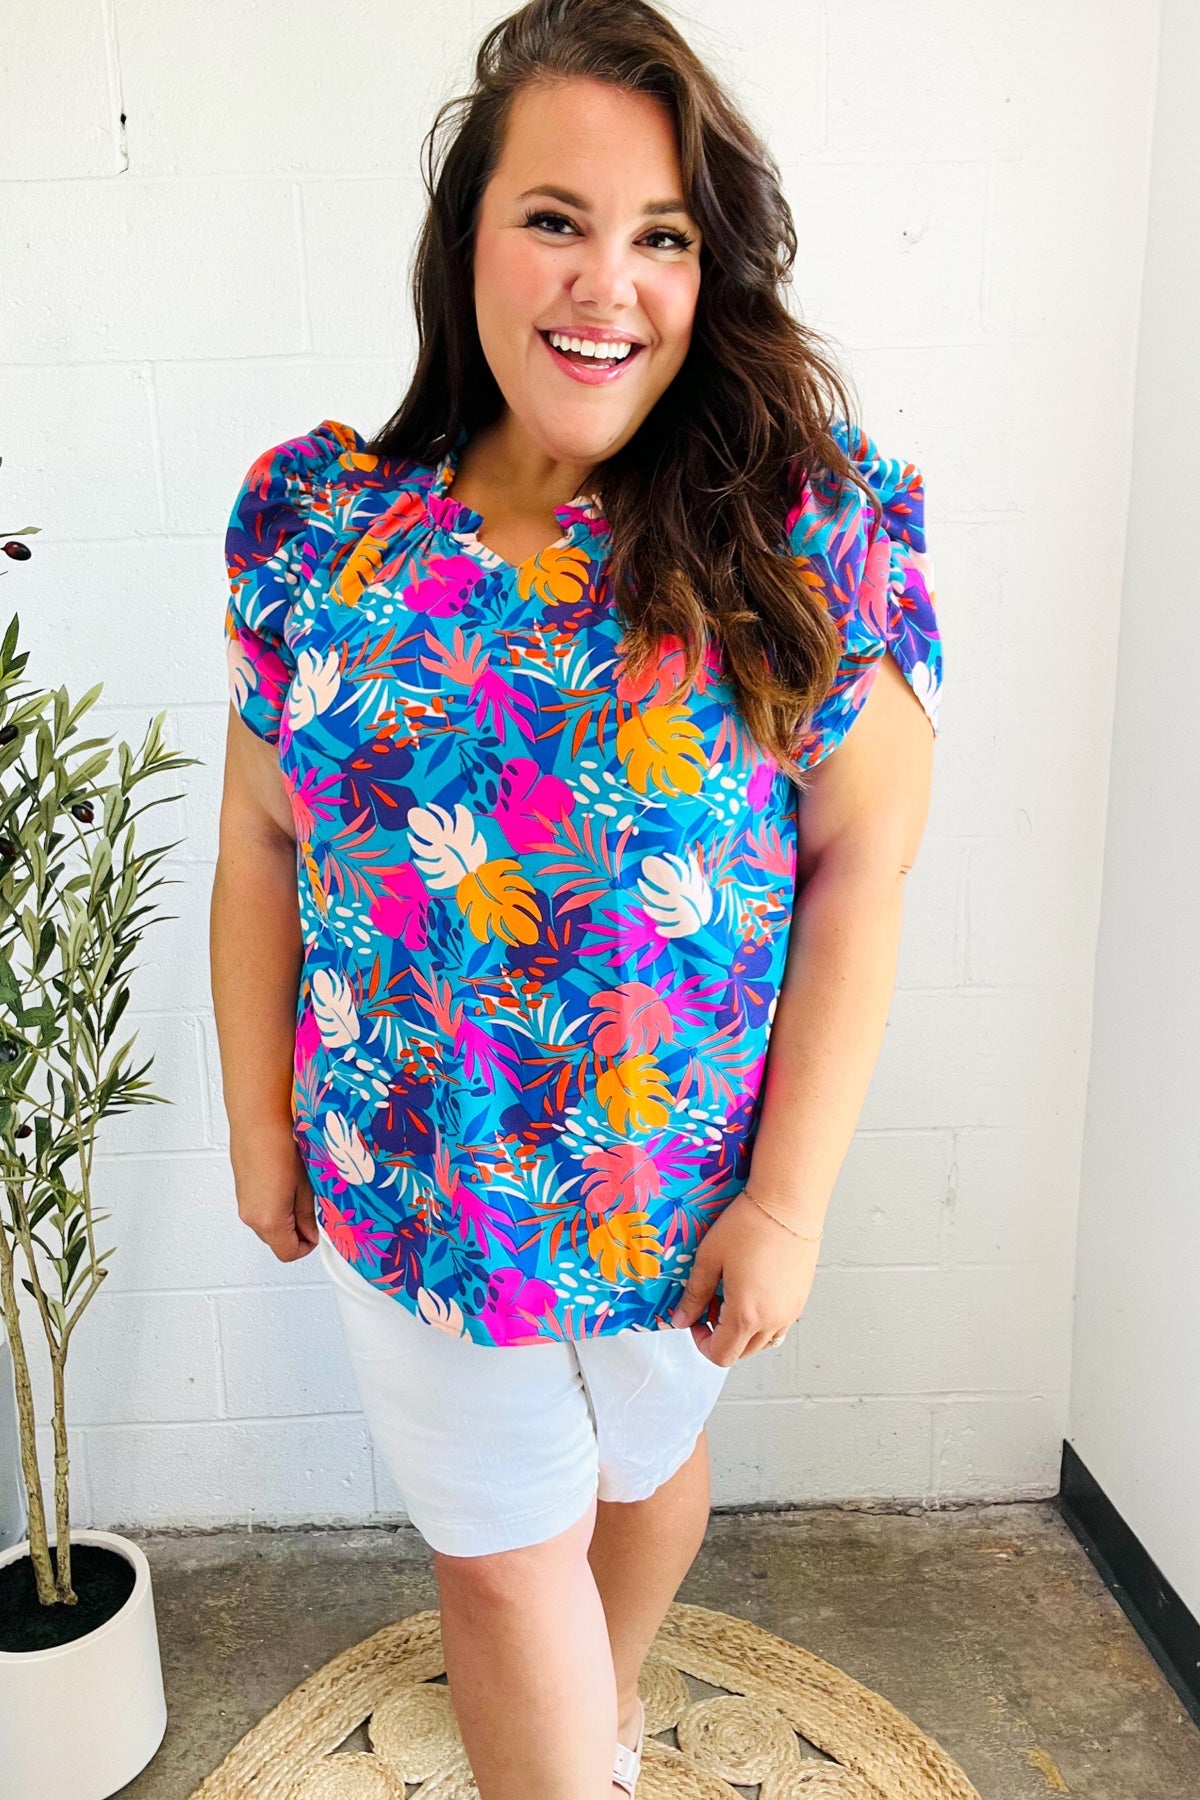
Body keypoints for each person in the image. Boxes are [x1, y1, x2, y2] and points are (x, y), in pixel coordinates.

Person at [209, 1, 942, 1794]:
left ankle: (596, 1718)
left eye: (662, 236)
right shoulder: (319, 530)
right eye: (555, 218)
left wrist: (787, 1206)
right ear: (467, 237)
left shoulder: (800, 528)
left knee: (643, 1472)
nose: (606, 283)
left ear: (708, 270)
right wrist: (255, 1120)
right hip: (418, 1192)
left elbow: (866, 859)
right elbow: (258, 842)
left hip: (679, 1204)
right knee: (498, 1561)